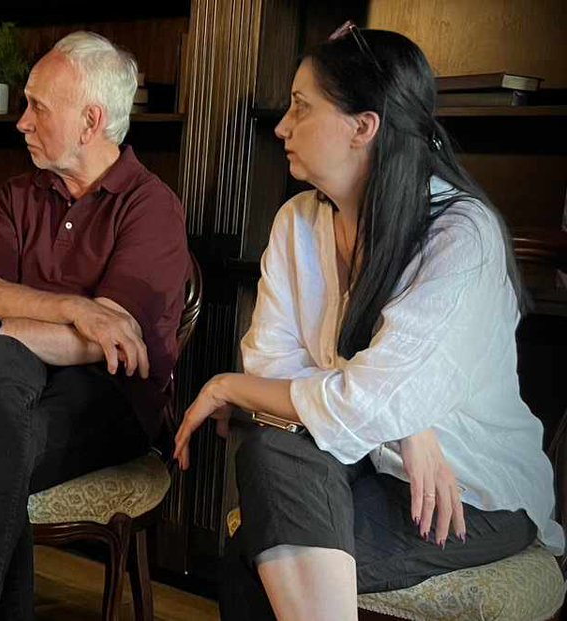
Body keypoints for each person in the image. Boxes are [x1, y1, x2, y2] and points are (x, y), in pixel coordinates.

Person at [172, 24, 565, 620]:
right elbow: (281, 371)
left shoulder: (461, 236)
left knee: (253, 550)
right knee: (270, 448)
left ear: (363, 127)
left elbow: (359, 401)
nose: (281, 127)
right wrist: (405, 426)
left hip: (467, 492)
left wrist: (229, 386)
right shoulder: (297, 222)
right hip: (356, 467)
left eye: (301, 108)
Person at [0, 32, 189, 621]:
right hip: (13, 384)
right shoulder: (17, 194)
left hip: (113, 402)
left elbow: (111, 346)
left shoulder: (151, 205)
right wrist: (73, 309)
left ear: (90, 121)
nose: (21, 122)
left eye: (37, 106)